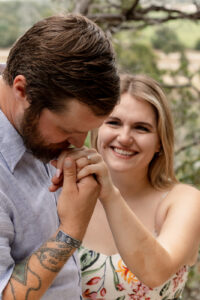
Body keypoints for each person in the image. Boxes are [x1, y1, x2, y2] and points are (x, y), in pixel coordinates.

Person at [0, 14, 120, 299]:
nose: (80, 145)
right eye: (68, 131)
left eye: (88, 131)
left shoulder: (33, 121)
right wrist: (72, 229)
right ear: (22, 90)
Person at [50, 74, 200, 299]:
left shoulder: (183, 201)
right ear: (97, 128)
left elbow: (155, 271)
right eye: (113, 122)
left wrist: (109, 194)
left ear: (160, 141)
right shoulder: (64, 192)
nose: (124, 137)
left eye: (141, 128)